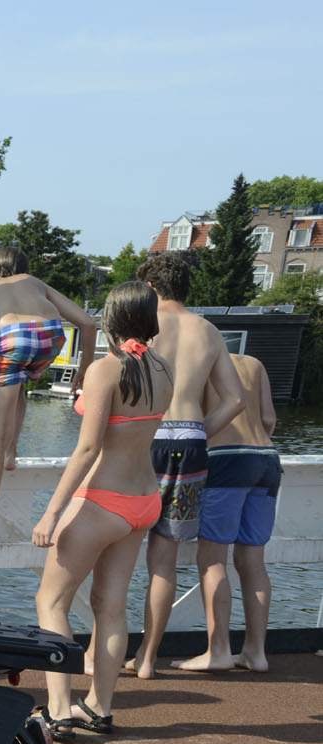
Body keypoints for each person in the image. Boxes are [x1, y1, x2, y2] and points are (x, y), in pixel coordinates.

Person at [29, 281, 171, 741]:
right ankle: (99, 706)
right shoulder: (163, 369)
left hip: (101, 500)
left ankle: (58, 707)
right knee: (111, 606)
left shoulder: (105, 370)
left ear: (110, 319)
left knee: (50, 602)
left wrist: (52, 513)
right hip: (144, 501)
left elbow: (88, 447)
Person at [129, 252, 246, 678]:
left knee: (120, 548)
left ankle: (100, 649)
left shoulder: (139, 324)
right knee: (165, 555)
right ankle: (146, 658)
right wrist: (198, 432)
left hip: (147, 440)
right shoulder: (209, 330)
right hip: (192, 444)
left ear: (151, 288)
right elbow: (235, 400)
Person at [0, 245, 98, 543]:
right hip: (51, 338)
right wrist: (85, 370)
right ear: (24, 269)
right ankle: (11, 453)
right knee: (21, 380)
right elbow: (89, 323)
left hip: (13, 341)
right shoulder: (34, 282)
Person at [173, 351, 281, 673]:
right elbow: (268, 421)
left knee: (212, 558)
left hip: (226, 459)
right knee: (253, 561)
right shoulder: (255, 363)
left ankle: (218, 649)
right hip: (266, 460)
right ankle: (255, 653)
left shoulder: (201, 362)